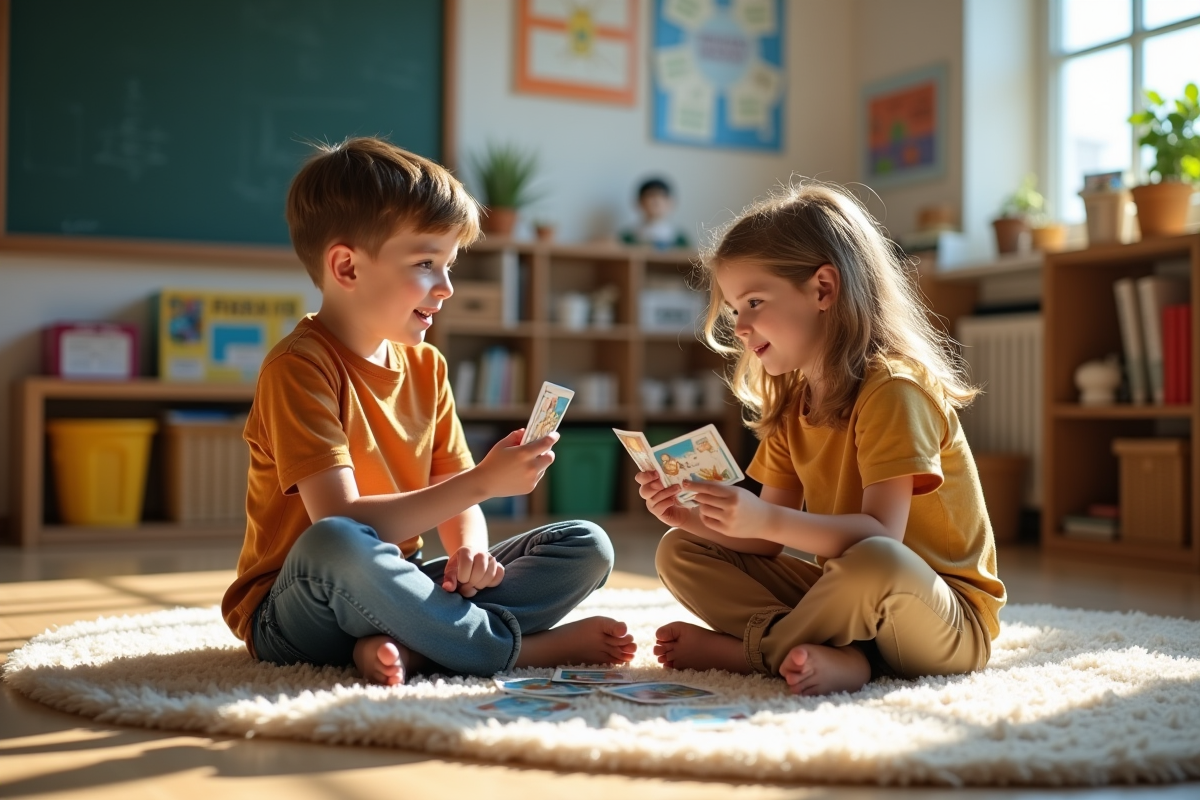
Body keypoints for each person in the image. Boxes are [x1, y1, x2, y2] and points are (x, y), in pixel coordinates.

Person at [221, 137, 635, 686]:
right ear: (346, 267)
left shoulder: (427, 366)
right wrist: (484, 482)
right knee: (337, 540)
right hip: (299, 605)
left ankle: (417, 645)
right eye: (425, 264)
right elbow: (341, 519)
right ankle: (507, 649)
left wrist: (471, 557)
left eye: (448, 265)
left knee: (586, 544)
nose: (446, 288)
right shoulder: (298, 366)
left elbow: (451, 487)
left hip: (401, 585)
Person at [640, 182, 1005, 696]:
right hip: (849, 600)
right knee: (679, 550)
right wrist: (690, 518)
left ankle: (756, 653)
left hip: (942, 621)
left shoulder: (893, 389)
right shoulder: (794, 404)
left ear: (823, 290)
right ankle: (842, 655)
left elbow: (881, 535)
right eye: (734, 309)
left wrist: (766, 518)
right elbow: (765, 541)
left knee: (876, 559)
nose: (740, 326)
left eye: (754, 302)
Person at [619, 177, 689, 249]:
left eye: (662, 196)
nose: (656, 200)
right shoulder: (626, 238)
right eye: (650, 195)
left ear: (671, 202)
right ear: (639, 202)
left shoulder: (680, 239)